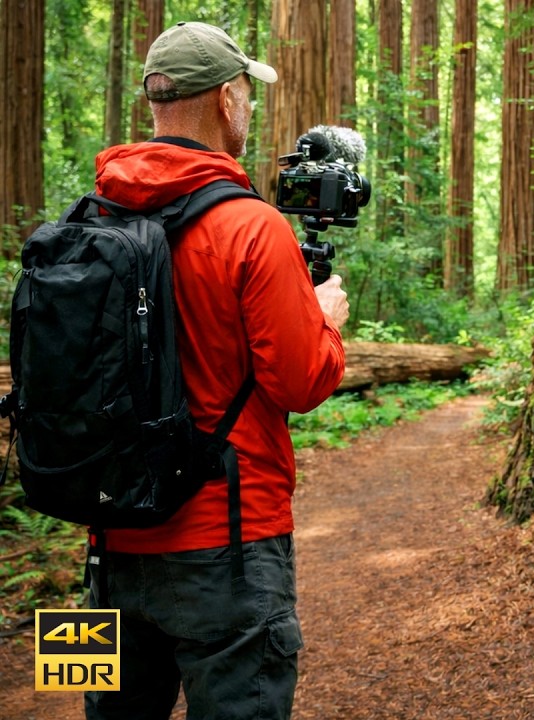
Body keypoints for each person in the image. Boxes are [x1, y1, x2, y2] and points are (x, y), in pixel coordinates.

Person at [84, 21, 348, 720]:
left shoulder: (87, 217)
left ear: (155, 104)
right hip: (228, 549)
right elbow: (302, 382)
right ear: (229, 100)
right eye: (247, 98)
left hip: (101, 552)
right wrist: (324, 320)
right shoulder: (251, 227)